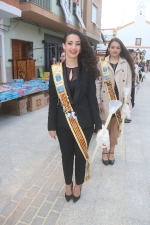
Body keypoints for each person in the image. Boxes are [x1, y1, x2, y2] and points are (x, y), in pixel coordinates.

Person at [48, 29, 102, 202]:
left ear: (81, 47)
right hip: (63, 123)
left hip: (84, 122)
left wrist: (98, 126)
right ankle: (68, 185)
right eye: (70, 43)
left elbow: (92, 99)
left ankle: (78, 185)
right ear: (63, 46)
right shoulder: (56, 71)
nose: (73, 47)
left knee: (80, 155)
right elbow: (54, 99)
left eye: (77, 44)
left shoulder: (87, 70)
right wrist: (51, 125)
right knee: (66, 156)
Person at [96, 38, 134, 165]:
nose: (115, 50)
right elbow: (97, 83)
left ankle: (112, 151)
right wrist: (98, 101)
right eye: (112, 47)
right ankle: (104, 151)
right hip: (105, 100)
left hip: (119, 102)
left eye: (118, 47)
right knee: (104, 128)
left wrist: (127, 104)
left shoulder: (125, 64)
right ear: (108, 48)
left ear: (121, 49)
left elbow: (128, 84)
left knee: (114, 128)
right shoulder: (102, 63)